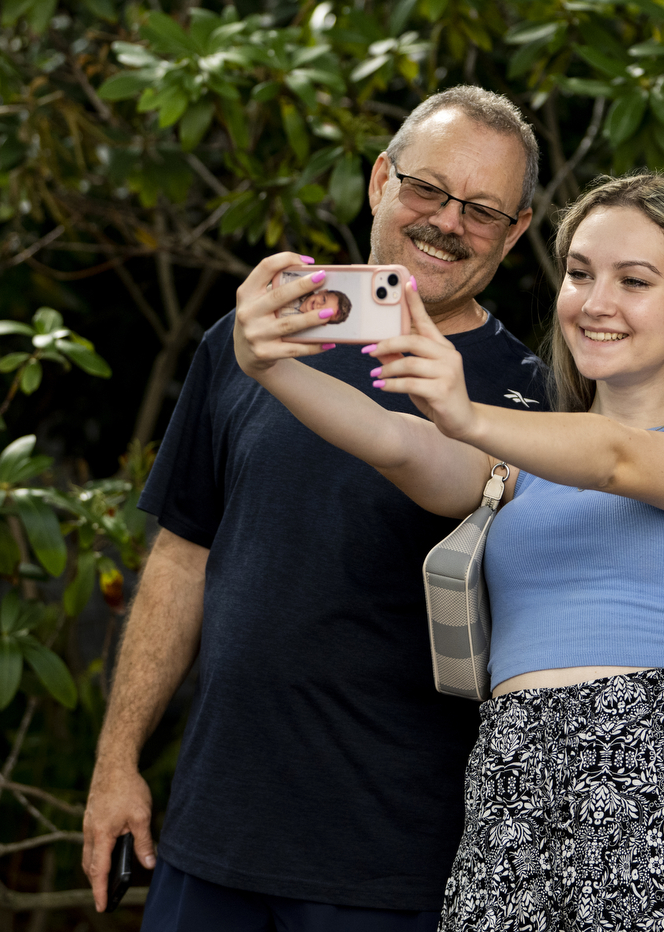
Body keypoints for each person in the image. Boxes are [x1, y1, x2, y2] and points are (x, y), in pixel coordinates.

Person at [233, 173, 664, 932]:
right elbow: (398, 441)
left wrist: (467, 413)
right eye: (579, 273)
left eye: (634, 280)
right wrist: (270, 367)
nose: (595, 302)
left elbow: (617, 459)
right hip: (512, 789)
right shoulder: (519, 467)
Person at [81, 86, 554, 930]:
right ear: (380, 181)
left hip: (397, 862)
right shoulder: (251, 341)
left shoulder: (538, 399)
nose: (448, 222)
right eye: (428, 189)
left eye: (482, 209)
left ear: (516, 232)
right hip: (210, 834)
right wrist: (117, 763)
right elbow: (182, 555)